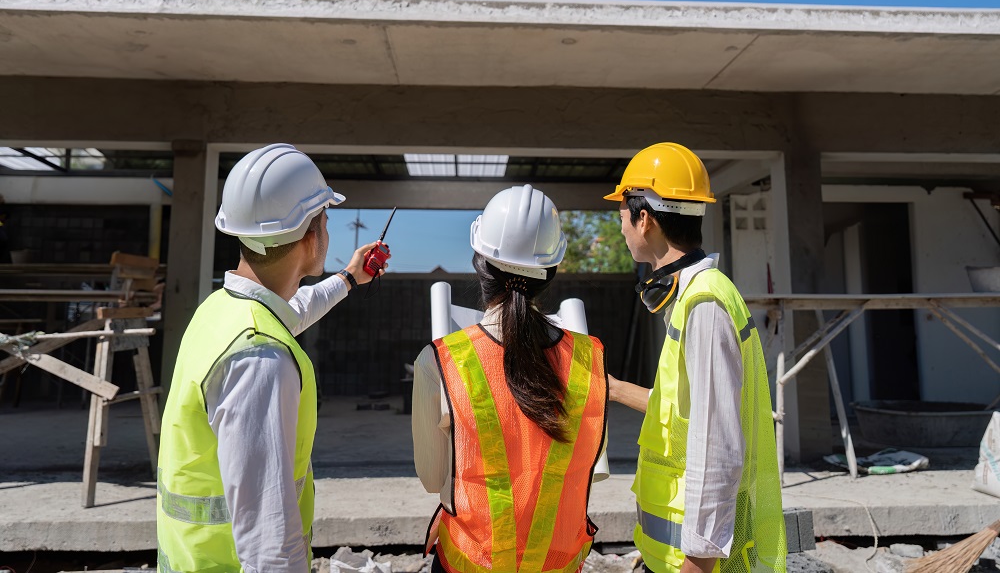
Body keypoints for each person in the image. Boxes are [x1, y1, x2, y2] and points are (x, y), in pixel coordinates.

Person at [157, 143, 384, 573]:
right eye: (325, 219)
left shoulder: (222, 310)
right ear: (312, 236)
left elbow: (292, 311)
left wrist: (349, 279)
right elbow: (269, 549)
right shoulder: (260, 361)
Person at [605, 143, 786, 573]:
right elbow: (685, 412)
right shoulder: (694, 296)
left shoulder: (704, 304)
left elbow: (718, 442)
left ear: (643, 218)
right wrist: (611, 388)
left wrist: (699, 563)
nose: (623, 231)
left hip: (697, 565)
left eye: (622, 219)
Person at [412, 184, 608, 573]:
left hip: (470, 562)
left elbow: (434, 478)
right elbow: (594, 470)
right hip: (561, 563)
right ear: (549, 273)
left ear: (479, 263)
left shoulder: (442, 360)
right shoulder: (589, 359)